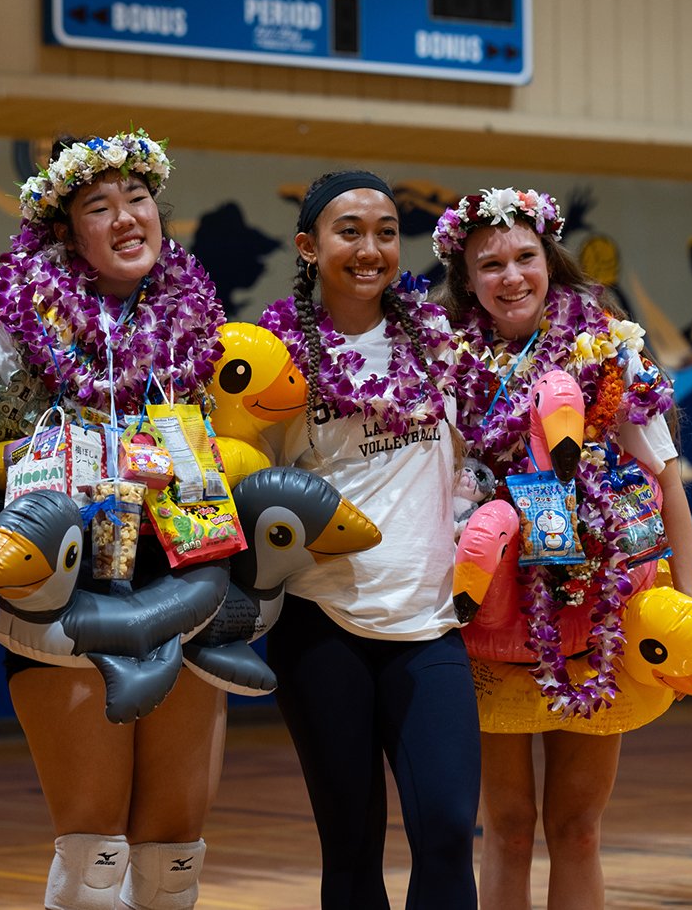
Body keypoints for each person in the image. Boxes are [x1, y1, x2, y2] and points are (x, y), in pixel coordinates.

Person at [0, 131, 228, 910]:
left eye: (138, 199)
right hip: (71, 588)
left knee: (175, 852)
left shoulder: (198, 315)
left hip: (186, 574)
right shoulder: (11, 321)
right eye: (99, 205)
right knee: (97, 855)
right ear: (64, 232)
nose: (126, 219)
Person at [431, 188, 692, 910]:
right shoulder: (446, 363)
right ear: (466, 277)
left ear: (549, 259)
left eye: (525, 257)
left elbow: (669, 484)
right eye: (490, 264)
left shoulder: (606, 350)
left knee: (577, 827)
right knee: (509, 828)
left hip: (597, 618)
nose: (511, 276)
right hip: (489, 621)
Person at [256, 171, 481, 909]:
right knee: (351, 844)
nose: (370, 248)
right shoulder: (272, 353)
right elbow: (248, 481)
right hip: (323, 625)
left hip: (430, 623)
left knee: (448, 830)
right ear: (308, 244)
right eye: (349, 230)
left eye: (385, 231)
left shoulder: (438, 337)